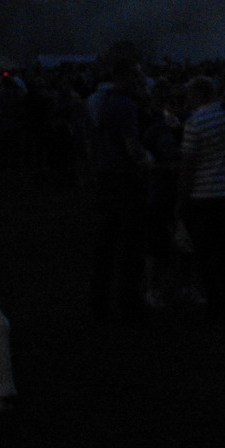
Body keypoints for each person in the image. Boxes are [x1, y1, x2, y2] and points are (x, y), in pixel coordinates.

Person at [85, 59, 148, 325]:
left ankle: (98, 303)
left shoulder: (98, 103)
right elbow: (131, 147)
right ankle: (128, 303)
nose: (140, 82)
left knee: (104, 244)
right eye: (136, 77)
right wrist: (149, 159)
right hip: (125, 178)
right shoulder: (125, 106)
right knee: (131, 244)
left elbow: (89, 143)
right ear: (126, 78)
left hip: (103, 177)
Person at [178, 76, 225, 326]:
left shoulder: (196, 121)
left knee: (206, 254)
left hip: (204, 193)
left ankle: (216, 306)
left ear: (198, 95)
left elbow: (189, 165)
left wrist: (182, 197)